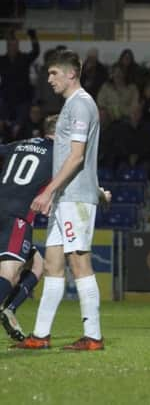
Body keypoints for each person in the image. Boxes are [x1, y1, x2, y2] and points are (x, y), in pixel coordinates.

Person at [14, 49, 104, 351]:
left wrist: (49, 190)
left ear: (71, 74)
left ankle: (93, 337)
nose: (49, 79)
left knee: (79, 262)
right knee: (53, 264)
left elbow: (77, 157)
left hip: (73, 197)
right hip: (66, 197)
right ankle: (40, 335)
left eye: (53, 73)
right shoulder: (70, 106)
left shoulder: (80, 105)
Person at [0, 115, 56, 341]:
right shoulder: (59, 153)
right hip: (17, 216)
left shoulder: (20, 144)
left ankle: (9, 309)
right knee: (9, 274)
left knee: (38, 264)